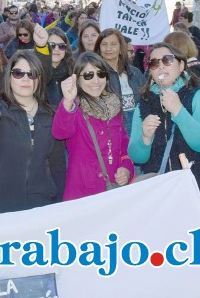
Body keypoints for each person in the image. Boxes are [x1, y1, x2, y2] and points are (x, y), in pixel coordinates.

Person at [128, 42, 200, 237]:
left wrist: (179, 111)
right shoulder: (145, 103)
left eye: (167, 60)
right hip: (160, 196)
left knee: (196, 258)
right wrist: (145, 138)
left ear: (181, 66)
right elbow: (137, 156)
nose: (161, 66)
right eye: (154, 63)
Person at [0, 51, 66, 214]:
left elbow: (57, 166)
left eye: (32, 74)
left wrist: (57, 205)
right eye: (18, 73)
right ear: (9, 77)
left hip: (40, 207)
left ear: (40, 79)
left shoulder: (52, 115)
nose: (25, 78)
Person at [52, 52, 133, 200]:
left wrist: (126, 168)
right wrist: (68, 101)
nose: (96, 81)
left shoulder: (114, 104)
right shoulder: (73, 105)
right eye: (88, 75)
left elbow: (124, 146)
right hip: (82, 193)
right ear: (77, 79)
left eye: (100, 74)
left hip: (113, 191)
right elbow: (60, 133)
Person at [95, 28, 146, 136]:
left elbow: (146, 98)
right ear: (99, 48)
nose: (108, 48)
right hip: (109, 130)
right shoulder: (95, 74)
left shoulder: (135, 72)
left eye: (113, 44)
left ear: (120, 48)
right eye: (104, 44)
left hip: (137, 128)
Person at [46, 27, 73, 106]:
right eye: (52, 45)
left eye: (61, 46)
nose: (56, 49)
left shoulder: (74, 70)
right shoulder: (36, 72)